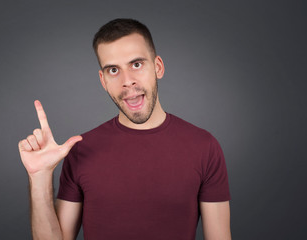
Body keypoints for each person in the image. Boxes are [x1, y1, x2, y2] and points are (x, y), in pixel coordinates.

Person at [18, 18, 231, 240]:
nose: (127, 81)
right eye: (113, 70)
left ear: (158, 67)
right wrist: (40, 177)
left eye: (136, 64)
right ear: (103, 80)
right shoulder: (81, 150)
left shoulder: (204, 147)